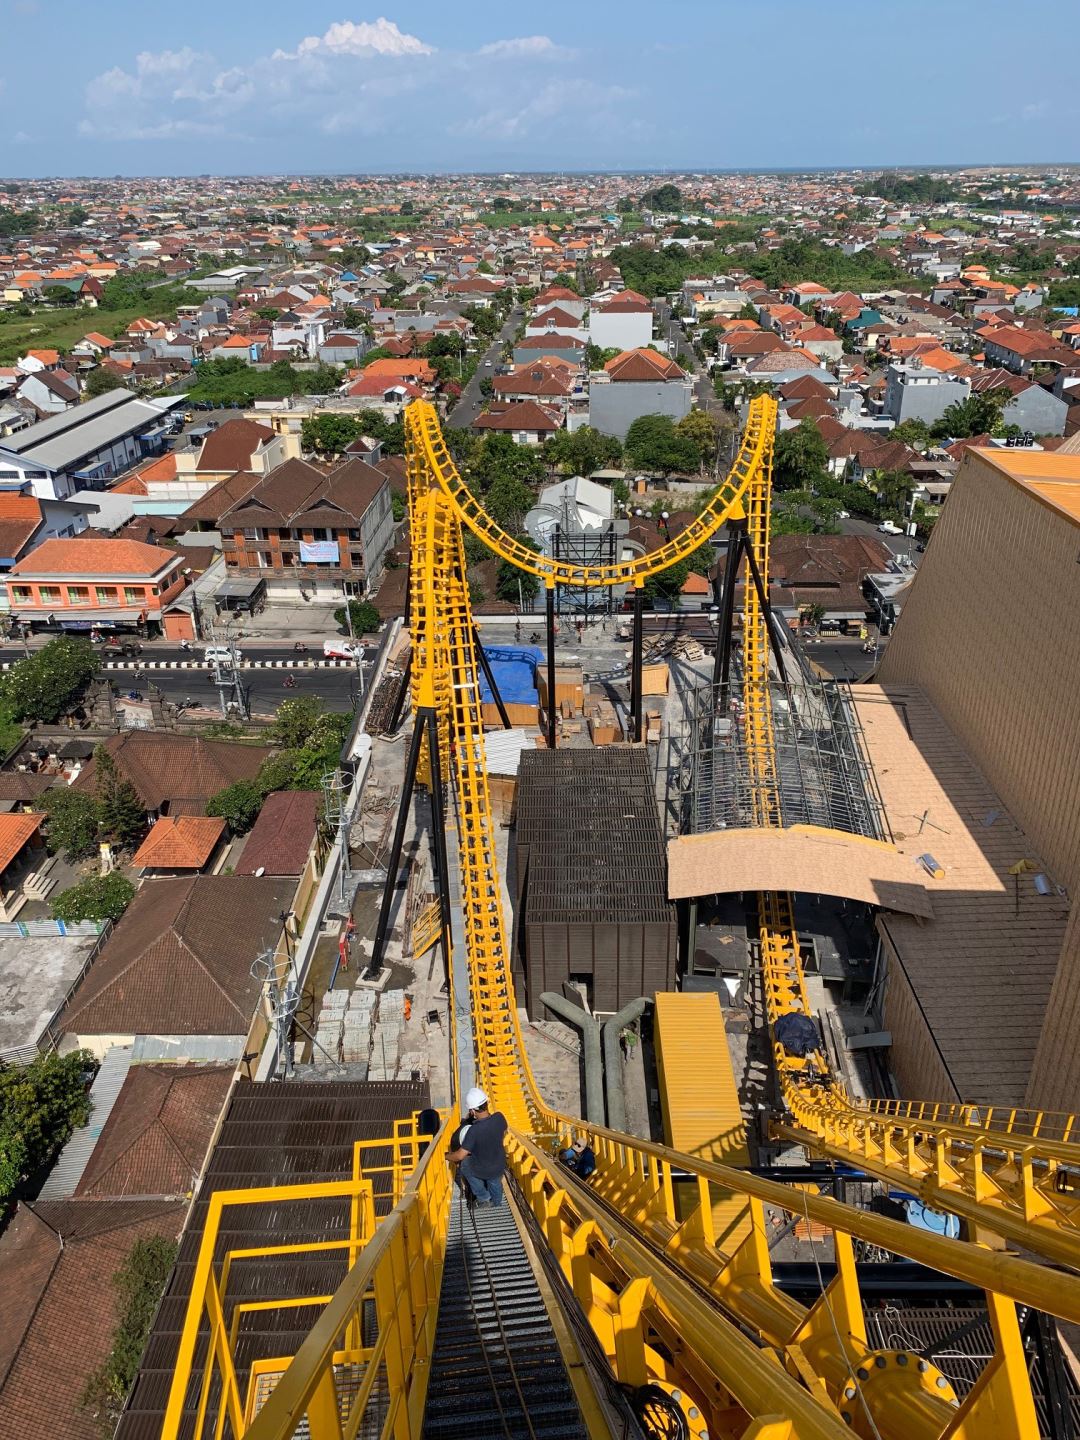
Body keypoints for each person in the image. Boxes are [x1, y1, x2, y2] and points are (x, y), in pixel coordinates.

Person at [448, 1087, 507, 1208]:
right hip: (499, 1165)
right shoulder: (499, 1117)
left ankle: (484, 1197)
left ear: (473, 1112)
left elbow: (459, 1155)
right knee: (494, 1181)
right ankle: (497, 1205)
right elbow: (504, 1131)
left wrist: (446, 1156)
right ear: (486, 1103)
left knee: (465, 1164)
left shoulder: (473, 1131)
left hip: (483, 1168)